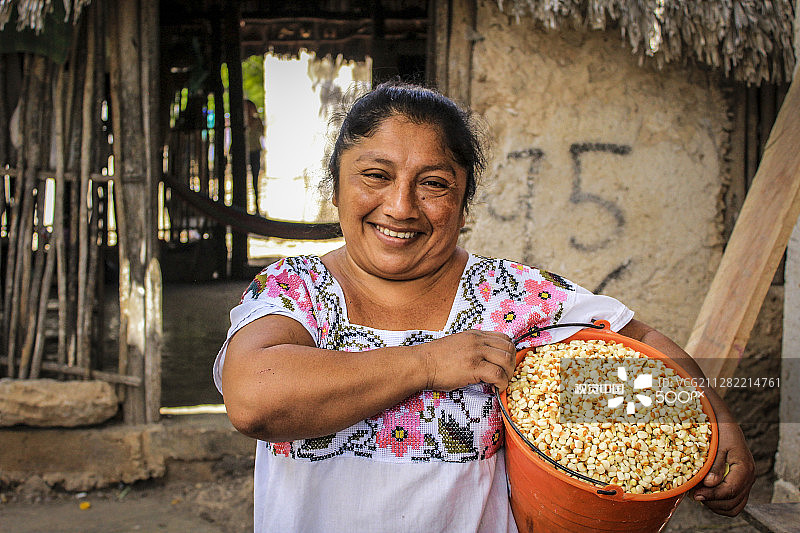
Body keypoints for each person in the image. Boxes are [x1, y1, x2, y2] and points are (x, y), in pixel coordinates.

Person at [214, 82, 755, 532]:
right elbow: (253, 398)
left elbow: (643, 347)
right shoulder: (296, 289)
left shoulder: (511, 297)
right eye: (375, 176)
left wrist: (720, 421)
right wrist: (428, 364)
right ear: (336, 187)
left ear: (464, 203)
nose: (400, 206)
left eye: (434, 184)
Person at [244, 99, 264, 213]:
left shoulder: (257, 121)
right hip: (245, 152)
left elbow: (262, 132)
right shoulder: (242, 122)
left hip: (255, 151)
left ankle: (256, 206)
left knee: (255, 179)